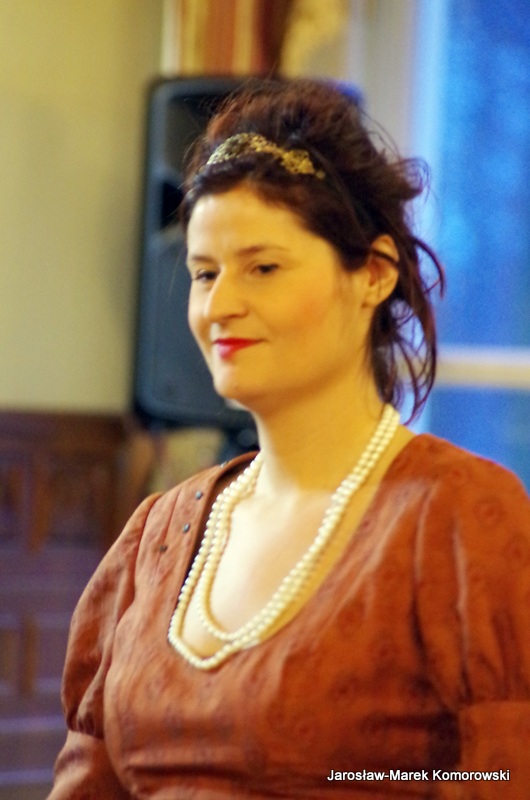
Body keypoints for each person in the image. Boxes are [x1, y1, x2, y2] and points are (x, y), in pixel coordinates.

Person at [48, 78, 530, 799]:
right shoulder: (155, 536)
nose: (220, 305)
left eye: (263, 268)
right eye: (204, 273)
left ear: (373, 274)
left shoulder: (462, 517)